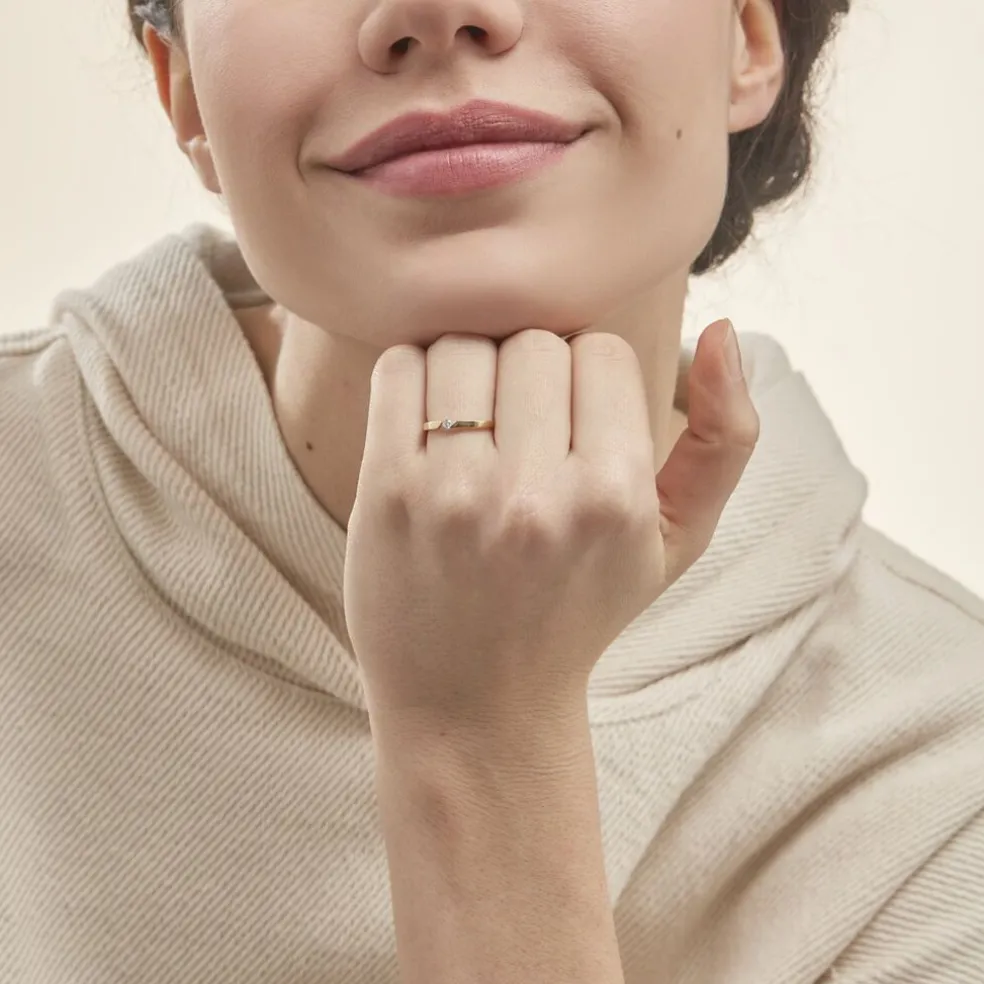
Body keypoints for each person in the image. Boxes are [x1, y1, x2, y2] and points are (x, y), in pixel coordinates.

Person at [1, 0, 981, 981]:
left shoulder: (947, 791)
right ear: (182, 91)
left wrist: (483, 741)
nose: (436, 10)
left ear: (748, 35)